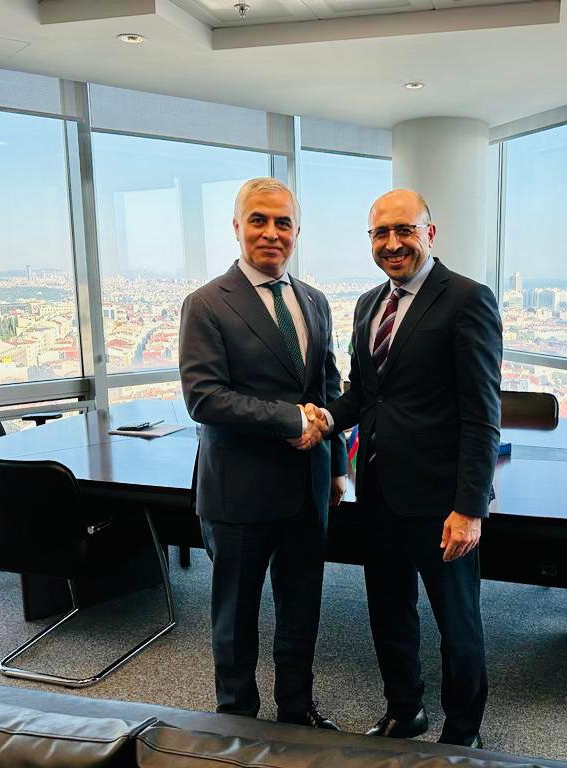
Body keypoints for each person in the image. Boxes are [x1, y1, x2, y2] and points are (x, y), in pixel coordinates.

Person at [311, 189, 502, 748]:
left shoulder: (467, 299)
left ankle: (463, 733)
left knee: (457, 623)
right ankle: (405, 709)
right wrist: (323, 420)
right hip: (378, 493)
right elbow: (364, 394)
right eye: (381, 233)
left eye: (404, 230)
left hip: (442, 501)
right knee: (389, 612)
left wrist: (470, 508)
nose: (392, 243)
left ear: (429, 234)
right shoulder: (368, 304)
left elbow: (482, 414)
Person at [179, 177, 347, 728]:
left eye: (283, 223)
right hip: (240, 491)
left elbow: (328, 388)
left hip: (308, 486)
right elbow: (204, 398)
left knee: (302, 609)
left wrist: (337, 465)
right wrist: (291, 419)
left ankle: (297, 710)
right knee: (236, 616)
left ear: (297, 231)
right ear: (237, 227)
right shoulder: (207, 303)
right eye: (259, 220)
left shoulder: (314, 301)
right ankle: (238, 722)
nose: (271, 232)